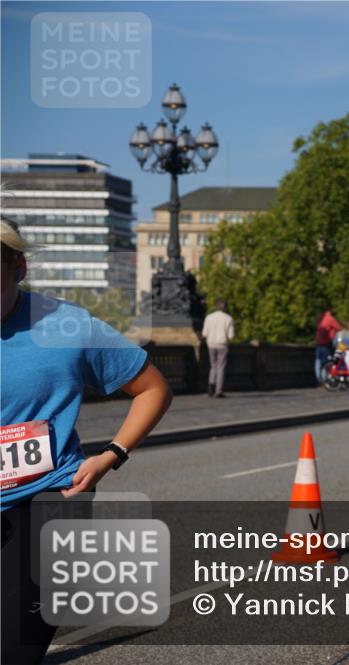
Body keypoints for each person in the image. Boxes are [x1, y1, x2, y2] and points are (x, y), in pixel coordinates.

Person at [1, 218, 173, 664]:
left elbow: (153, 388)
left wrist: (110, 455)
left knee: (14, 648)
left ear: (17, 268)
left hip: (50, 497)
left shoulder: (66, 325)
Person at [202, 298, 235, 398]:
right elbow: (231, 336)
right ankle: (218, 390)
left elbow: (204, 333)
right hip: (222, 344)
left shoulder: (209, 317)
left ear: (216, 306)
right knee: (221, 367)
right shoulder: (228, 318)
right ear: (225, 307)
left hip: (211, 344)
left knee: (213, 366)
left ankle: (211, 386)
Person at [314, 307, 345, 385]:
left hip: (318, 344)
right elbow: (339, 328)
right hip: (326, 344)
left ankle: (319, 380)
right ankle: (325, 381)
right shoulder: (330, 318)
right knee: (327, 363)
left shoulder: (320, 318)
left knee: (318, 362)